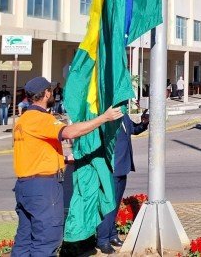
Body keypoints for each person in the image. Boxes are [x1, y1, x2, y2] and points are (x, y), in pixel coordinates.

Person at [12, 76, 123, 256]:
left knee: (25, 240)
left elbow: (32, 152)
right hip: (43, 189)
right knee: (46, 239)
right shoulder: (41, 119)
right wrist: (103, 118)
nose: (53, 93)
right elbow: (70, 132)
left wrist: (62, 160)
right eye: (51, 91)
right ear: (46, 93)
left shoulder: (23, 120)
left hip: (25, 186)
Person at [95, 109, 149, 253]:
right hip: (111, 167)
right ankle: (102, 240)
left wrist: (144, 123)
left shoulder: (123, 114)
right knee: (108, 206)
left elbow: (133, 129)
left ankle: (112, 234)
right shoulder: (108, 115)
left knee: (116, 204)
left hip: (123, 166)